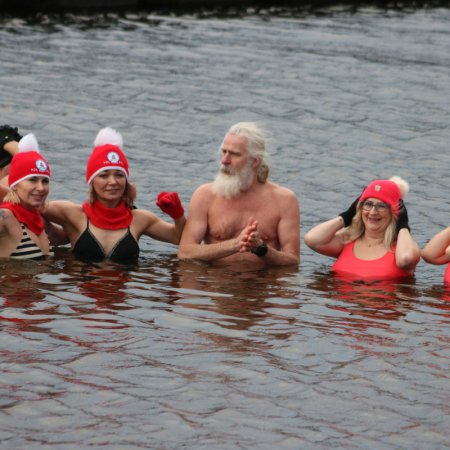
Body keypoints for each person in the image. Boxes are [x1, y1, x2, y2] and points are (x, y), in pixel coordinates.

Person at [41, 127, 186, 263]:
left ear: (126, 181)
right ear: (92, 182)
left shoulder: (140, 219)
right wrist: (53, 234)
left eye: (119, 175)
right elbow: (33, 204)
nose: (113, 182)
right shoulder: (72, 214)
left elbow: (178, 238)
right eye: (104, 176)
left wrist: (177, 214)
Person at [177, 122, 300, 266]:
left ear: (254, 161)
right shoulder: (205, 195)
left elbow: (293, 260)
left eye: (234, 154)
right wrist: (234, 245)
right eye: (224, 152)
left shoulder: (284, 199)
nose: (225, 160)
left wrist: (261, 248)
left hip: (262, 283)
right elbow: (185, 252)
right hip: (214, 283)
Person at [304, 176, 420, 280]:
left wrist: (403, 226)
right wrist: (346, 216)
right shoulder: (347, 240)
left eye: (381, 206)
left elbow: (406, 259)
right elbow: (312, 240)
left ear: (393, 213)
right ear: (359, 208)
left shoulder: (403, 247)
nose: (373, 212)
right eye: (368, 204)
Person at [0, 132, 55, 259]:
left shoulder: (40, 220)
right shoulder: (5, 217)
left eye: (45, 181)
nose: (41, 188)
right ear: (14, 185)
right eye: (32, 180)